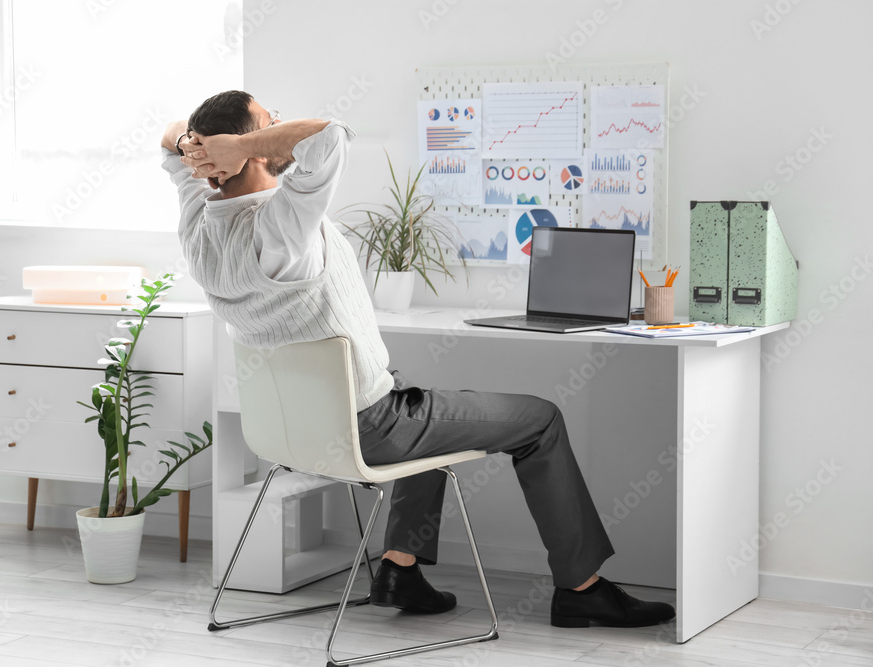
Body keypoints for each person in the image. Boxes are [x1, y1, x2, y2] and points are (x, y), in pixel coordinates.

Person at [160, 90, 674, 629]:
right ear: (242, 151)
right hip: (368, 426)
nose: (278, 125)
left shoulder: (198, 225)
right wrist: (237, 146)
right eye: (268, 121)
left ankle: (400, 571)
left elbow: (169, 137)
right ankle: (582, 589)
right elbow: (330, 135)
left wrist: (198, 148)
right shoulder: (281, 226)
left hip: (294, 434)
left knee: (420, 401)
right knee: (541, 419)